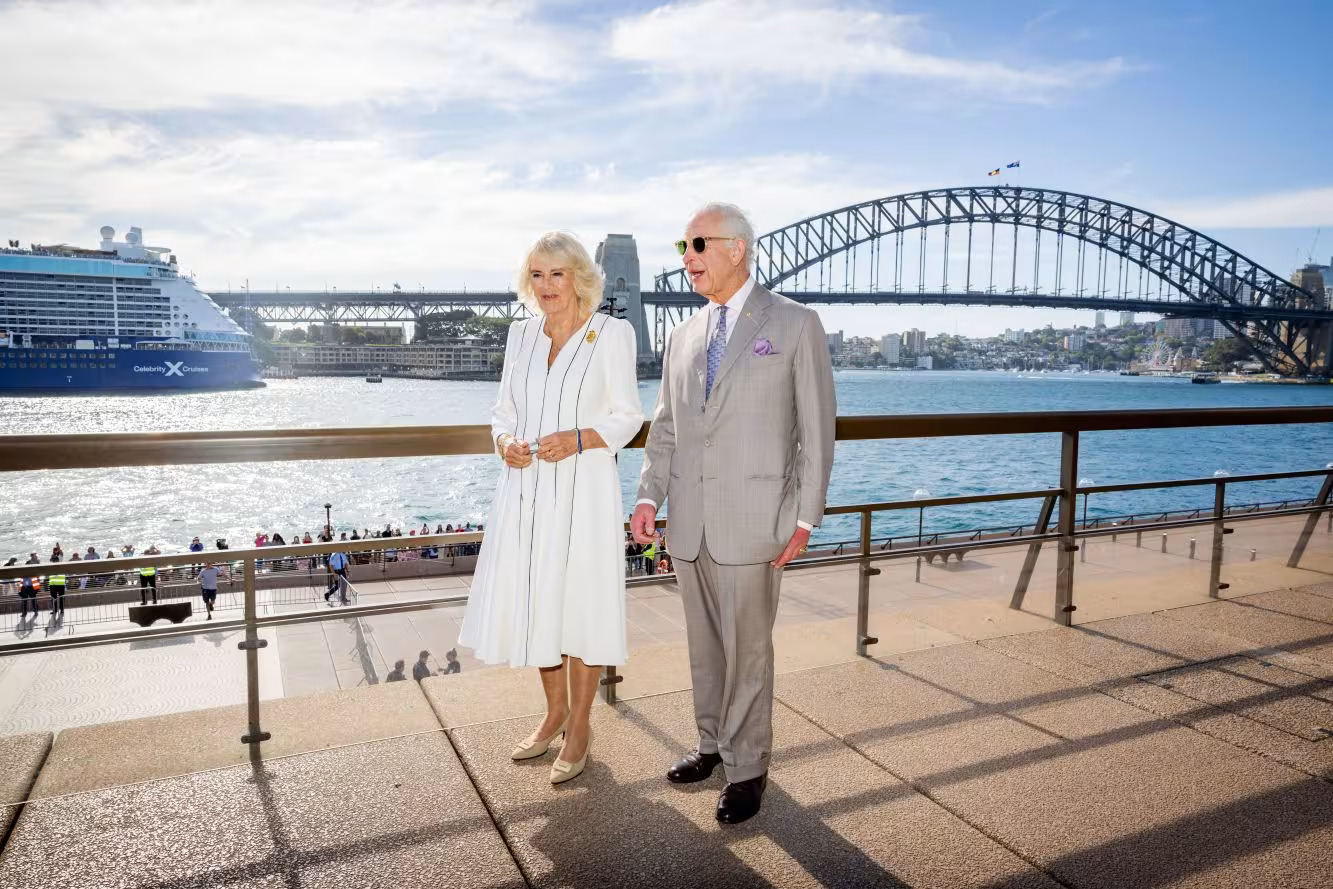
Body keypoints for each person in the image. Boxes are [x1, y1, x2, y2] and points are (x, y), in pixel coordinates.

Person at [632, 202, 836, 824]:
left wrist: (805, 517)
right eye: (683, 246)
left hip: (757, 520)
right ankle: (711, 745)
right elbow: (666, 427)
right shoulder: (682, 335)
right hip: (690, 522)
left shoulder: (796, 323)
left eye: (697, 245)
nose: (686, 258)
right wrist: (648, 497)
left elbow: (817, 428)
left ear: (737, 248)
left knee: (750, 652)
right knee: (704, 648)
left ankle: (748, 768)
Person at [459, 230, 643, 786]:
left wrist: (583, 437)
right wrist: (503, 442)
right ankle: (554, 714)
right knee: (541, 604)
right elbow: (503, 409)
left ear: (580, 277)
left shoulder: (612, 332)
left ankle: (581, 727)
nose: (546, 286)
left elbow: (629, 415)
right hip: (527, 491)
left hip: (583, 490)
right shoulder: (521, 335)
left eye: (557, 274)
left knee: (580, 608)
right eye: (537, 275)